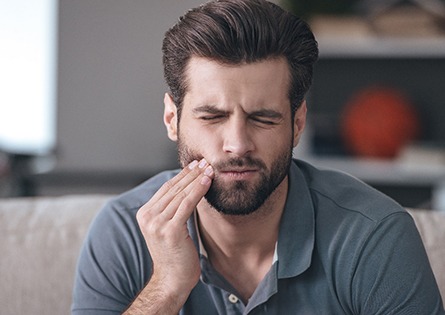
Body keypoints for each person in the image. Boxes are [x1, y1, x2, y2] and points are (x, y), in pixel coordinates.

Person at [72, 0, 444, 314]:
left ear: (298, 124)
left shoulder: (373, 235)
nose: (237, 144)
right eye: (212, 116)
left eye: (263, 118)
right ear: (172, 119)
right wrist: (167, 289)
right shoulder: (123, 231)